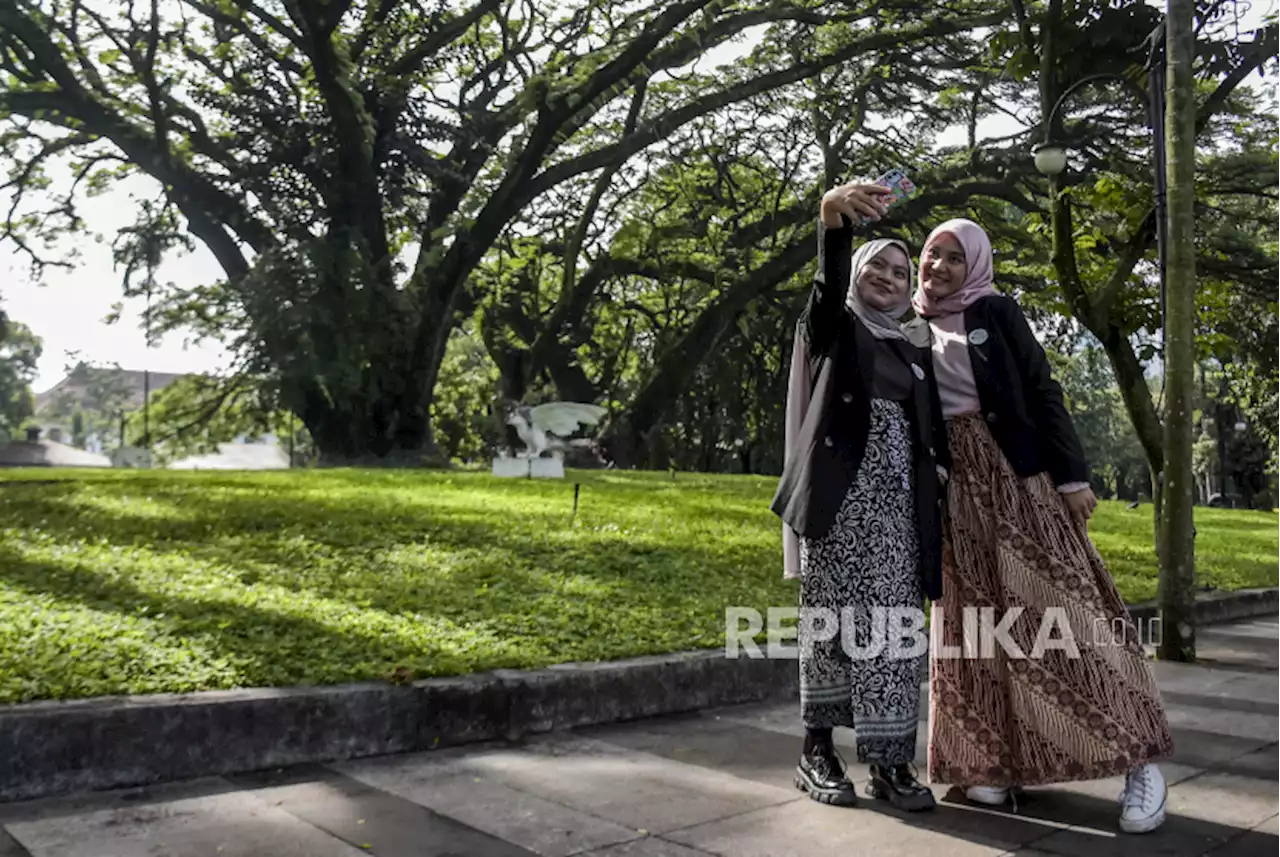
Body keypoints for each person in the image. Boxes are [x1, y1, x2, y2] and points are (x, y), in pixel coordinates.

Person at [914, 218, 1174, 834]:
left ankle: (1140, 763)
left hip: (1019, 477)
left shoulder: (996, 311)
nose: (940, 267)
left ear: (974, 263)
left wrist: (1072, 477)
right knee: (975, 626)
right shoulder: (908, 325)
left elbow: (1043, 388)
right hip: (957, 496)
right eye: (932, 254)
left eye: (955, 257)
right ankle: (990, 762)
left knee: (1068, 614)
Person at [771, 182, 949, 813]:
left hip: (901, 516)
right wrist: (832, 223)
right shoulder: (833, 327)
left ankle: (891, 763)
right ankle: (817, 754)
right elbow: (826, 284)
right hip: (839, 506)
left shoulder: (915, 344)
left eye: (902, 272)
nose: (890, 277)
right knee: (831, 626)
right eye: (877, 264)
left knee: (897, 634)